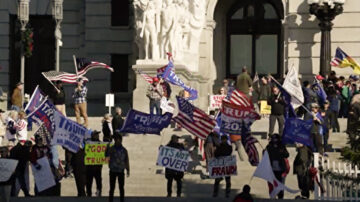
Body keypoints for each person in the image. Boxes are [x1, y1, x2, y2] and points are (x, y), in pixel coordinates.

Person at [106, 133, 130, 202]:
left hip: (121, 171)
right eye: (116, 140)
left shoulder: (124, 150)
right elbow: (106, 156)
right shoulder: (111, 149)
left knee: (121, 187)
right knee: (112, 188)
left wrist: (128, 169)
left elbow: (126, 160)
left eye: (119, 140)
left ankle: (122, 200)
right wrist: (107, 148)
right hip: (113, 170)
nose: (117, 141)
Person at [266, 134, 289, 199]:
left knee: (280, 185)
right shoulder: (269, 146)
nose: (275, 140)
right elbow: (265, 156)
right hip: (272, 170)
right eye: (273, 139)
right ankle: (273, 197)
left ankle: (280, 197)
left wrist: (282, 152)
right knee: (272, 185)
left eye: (276, 139)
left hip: (281, 169)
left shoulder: (282, 146)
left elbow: (287, 155)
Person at [86, 131, 103, 197]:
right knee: (89, 182)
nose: (98, 136)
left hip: (97, 167)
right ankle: (89, 193)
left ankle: (99, 192)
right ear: (93, 136)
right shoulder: (89, 144)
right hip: (90, 167)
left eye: (98, 135)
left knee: (98, 181)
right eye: (96, 135)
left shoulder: (101, 144)